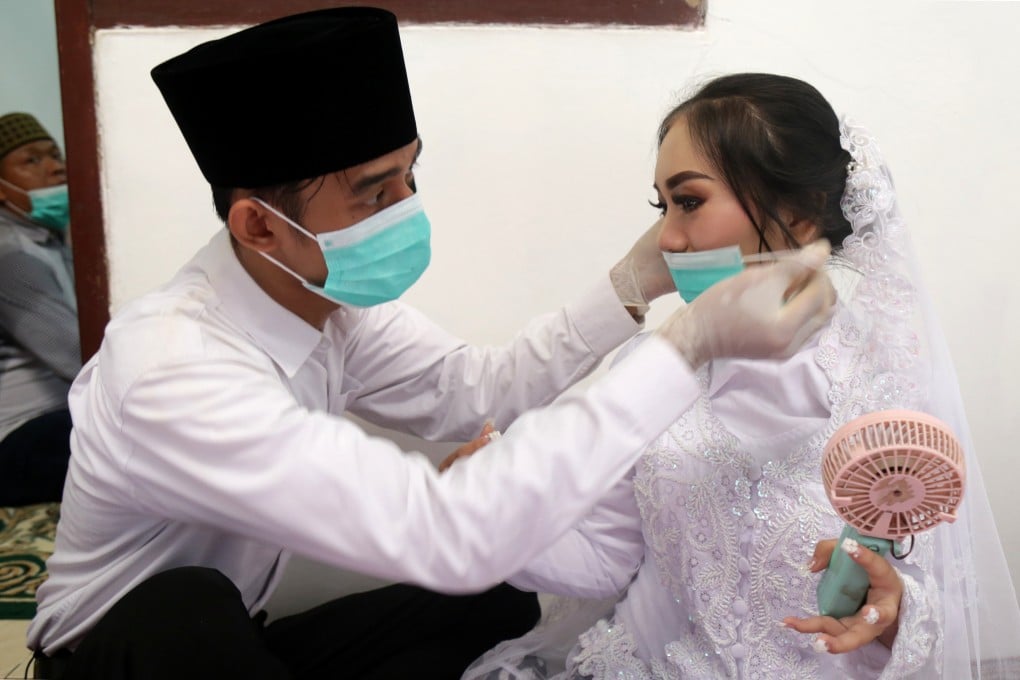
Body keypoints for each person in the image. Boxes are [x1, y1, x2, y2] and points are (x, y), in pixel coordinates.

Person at [24, 10, 836, 680]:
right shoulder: (170, 369)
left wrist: (634, 284)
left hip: (241, 633)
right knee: (187, 610)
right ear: (260, 225)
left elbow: (478, 390)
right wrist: (686, 346)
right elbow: (450, 534)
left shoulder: (329, 299)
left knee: (499, 602)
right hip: (125, 655)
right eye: (374, 193)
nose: (405, 210)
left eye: (410, 176)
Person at [462, 73, 1020, 679]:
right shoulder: (657, 372)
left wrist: (895, 610)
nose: (667, 240)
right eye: (663, 205)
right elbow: (608, 556)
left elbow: (939, 600)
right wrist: (492, 519)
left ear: (801, 216)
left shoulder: (888, 388)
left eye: (690, 202)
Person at [0, 111, 78, 506]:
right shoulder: (9, 253)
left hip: (53, 416)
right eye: (31, 160)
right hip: (15, 439)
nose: (54, 168)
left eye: (54, 155)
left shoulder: (50, 239)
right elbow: (77, 356)